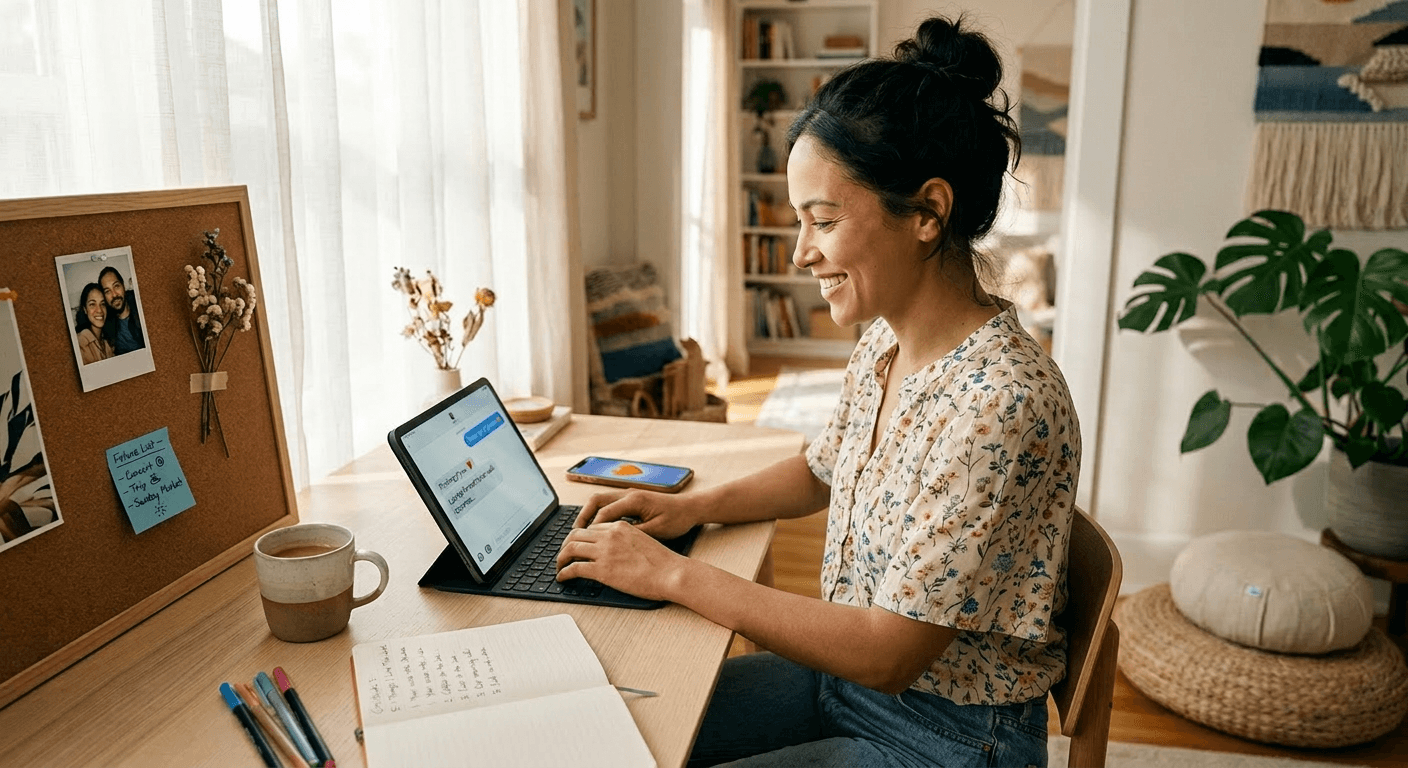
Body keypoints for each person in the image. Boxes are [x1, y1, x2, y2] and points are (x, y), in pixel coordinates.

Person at [555, 15, 1079, 768]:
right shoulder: (886, 343)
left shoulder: (999, 402)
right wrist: (688, 509)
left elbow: (888, 652)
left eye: (823, 221)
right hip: (845, 681)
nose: (802, 252)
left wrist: (672, 574)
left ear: (928, 212)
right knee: (619, 736)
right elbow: (820, 469)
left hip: (949, 736)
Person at [98, 265, 145, 355]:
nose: (114, 295)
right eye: (107, 291)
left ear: (123, 285)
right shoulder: (107, 326)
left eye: (116, 286)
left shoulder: (140, 305)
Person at [74, 283, 114, 365]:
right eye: (92, 304)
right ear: (85, 309)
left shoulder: (106, 343)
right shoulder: (81, 342)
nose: (99, 310)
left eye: (102, 304)